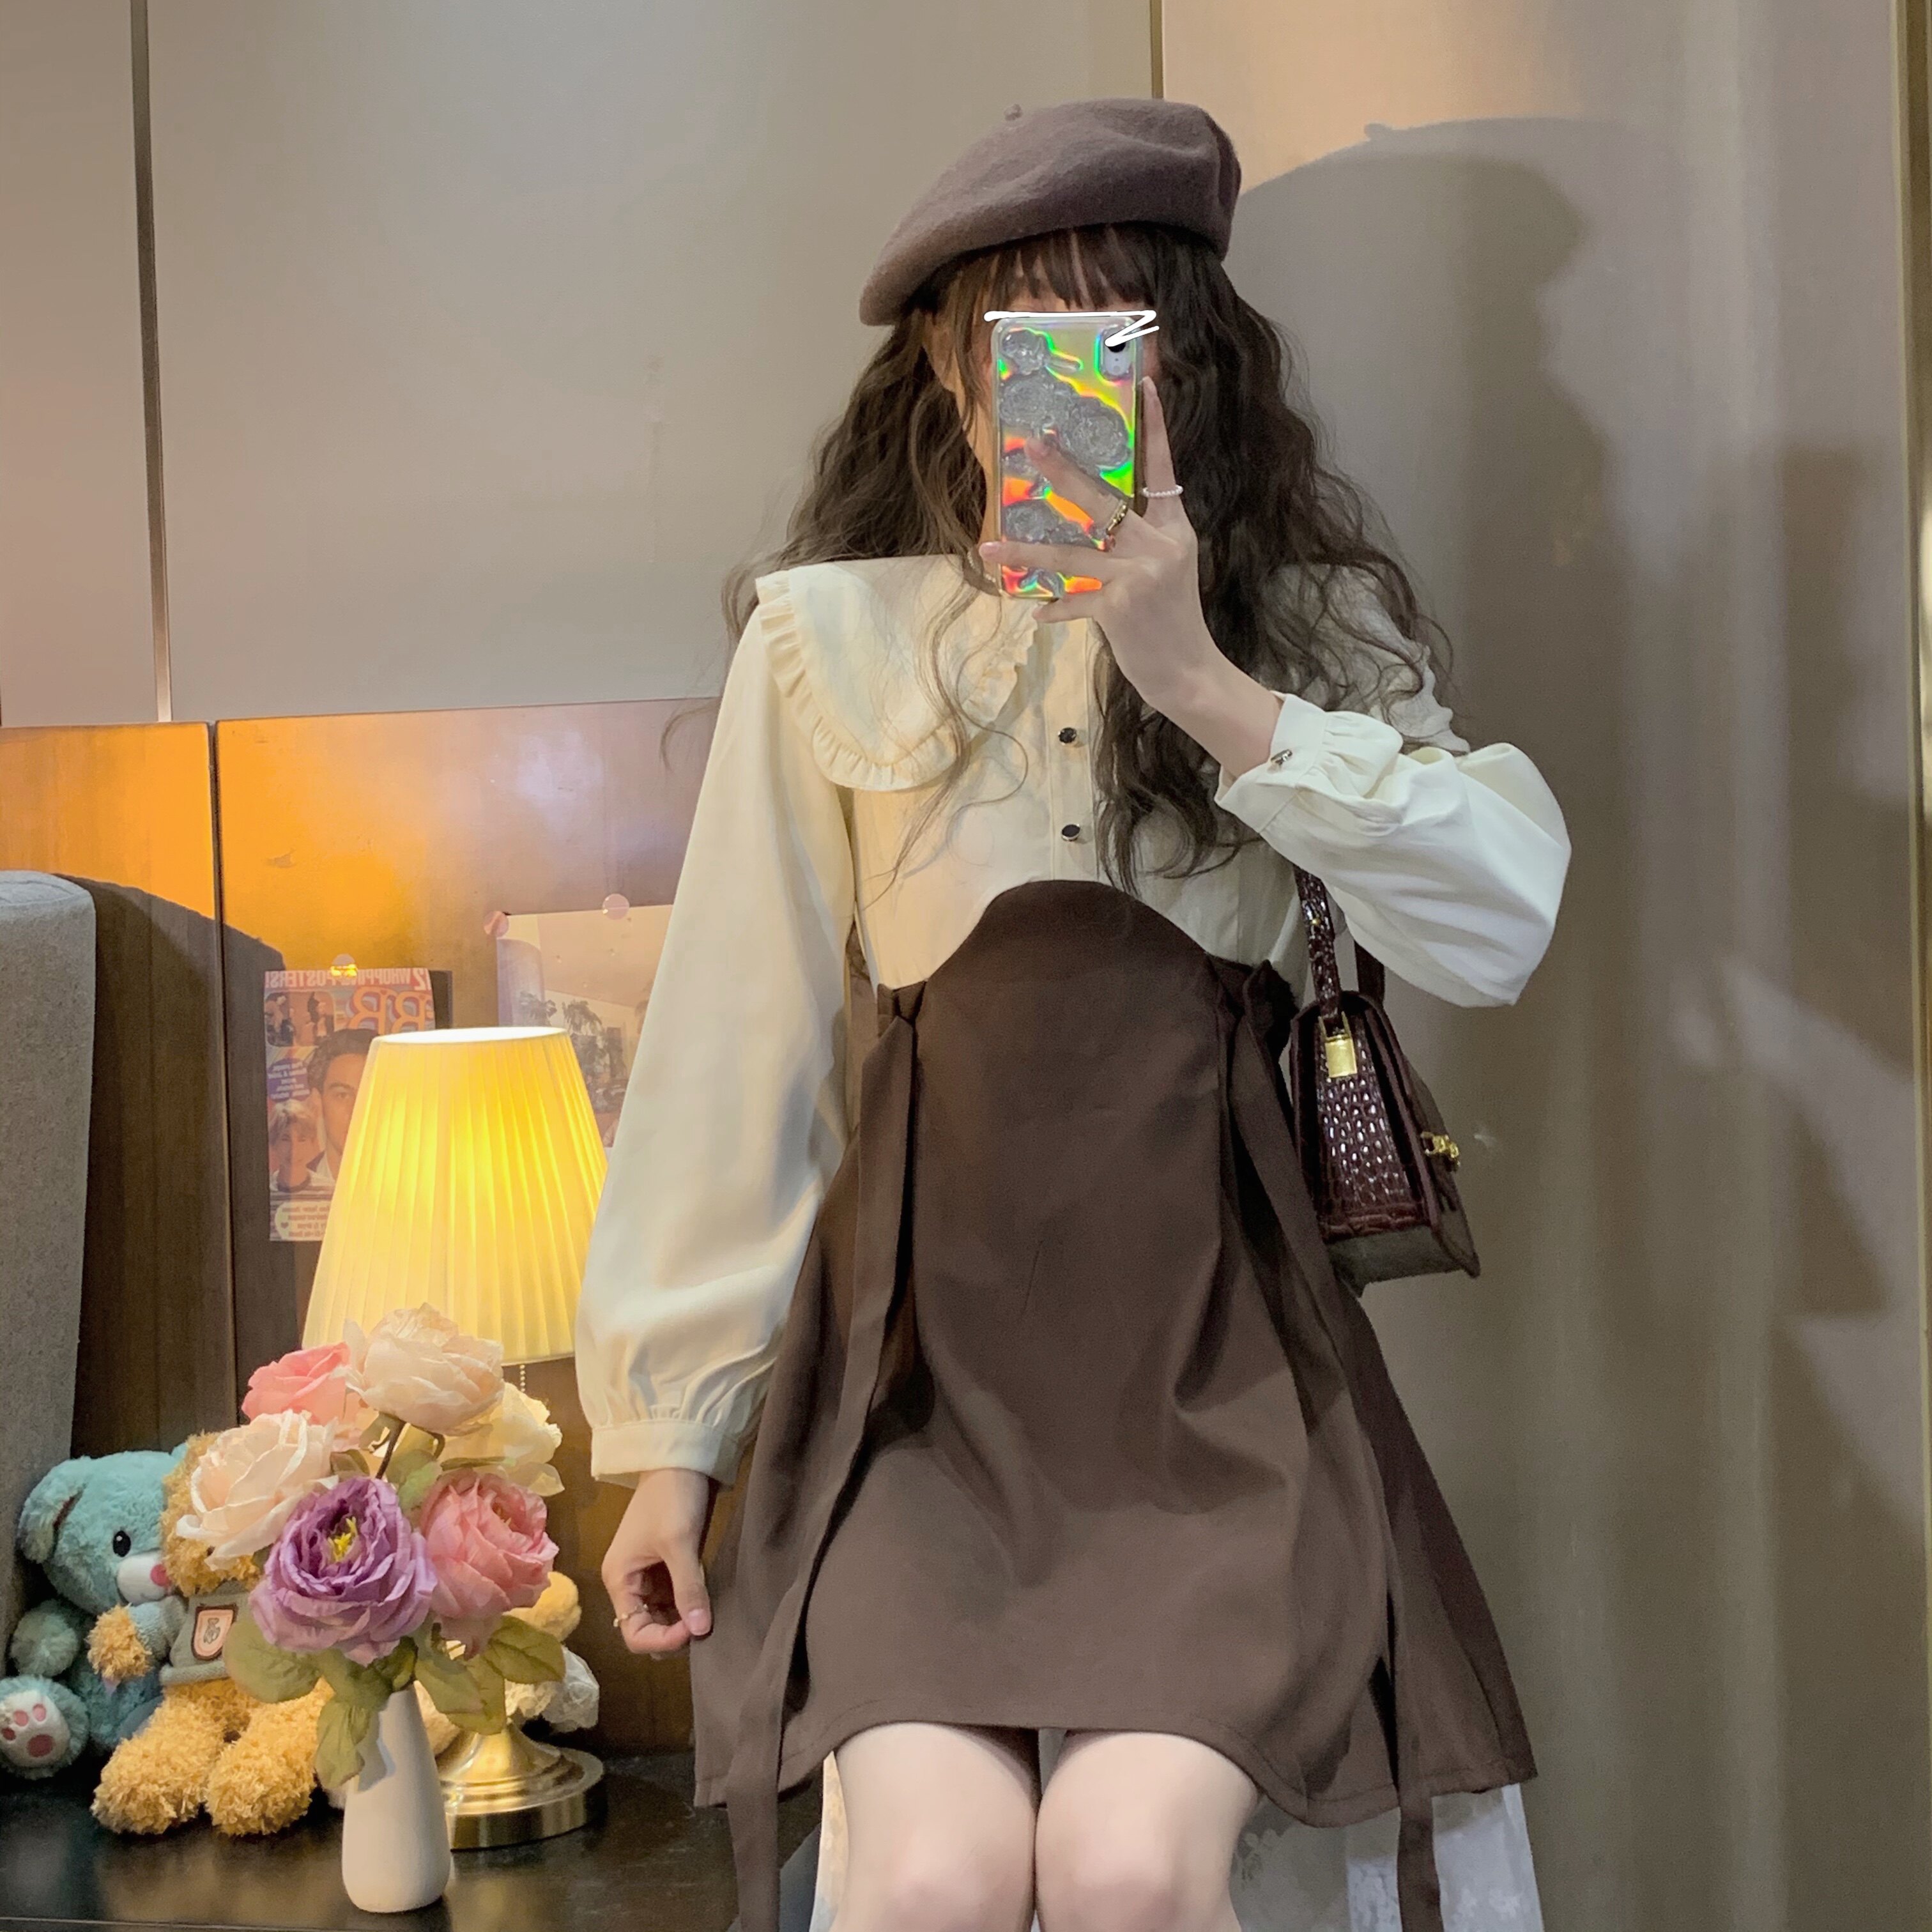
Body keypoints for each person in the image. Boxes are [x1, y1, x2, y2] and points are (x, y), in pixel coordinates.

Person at [578, 98, 1570, 1932]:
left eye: (1110, 343)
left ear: (1188, 371)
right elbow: (735, 1060)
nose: (1049, 398)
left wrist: (1197, 676)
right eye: (1011, 346)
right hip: (916, 1396)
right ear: (948, 376)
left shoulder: (1304, 642)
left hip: (1222, 1378)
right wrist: (672, 1445)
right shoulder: (830, 642)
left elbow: (1500, 918)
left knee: (1129, 1871)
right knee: (936, 1878)